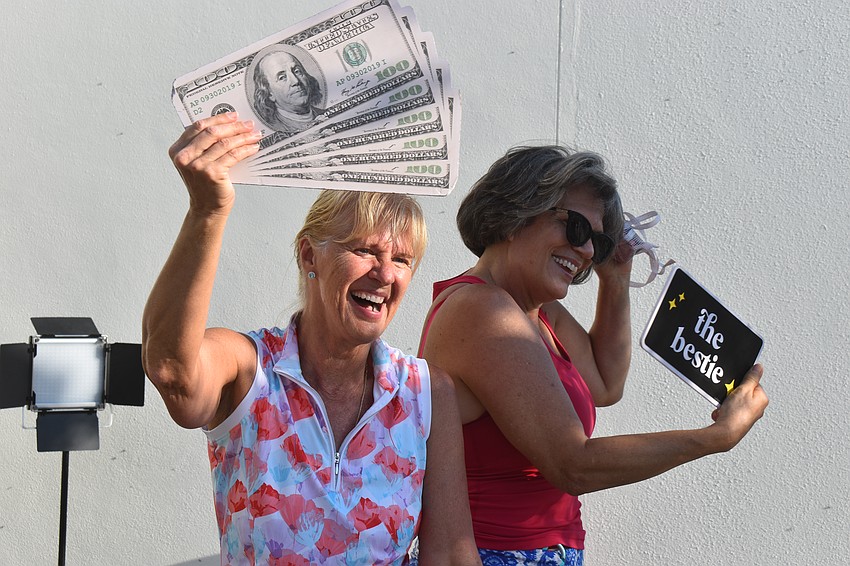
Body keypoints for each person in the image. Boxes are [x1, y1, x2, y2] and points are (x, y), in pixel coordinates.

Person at [142, 112, 480, 565]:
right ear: (309, 255)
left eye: (402, 259)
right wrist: (208, 209)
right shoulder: (251, 368)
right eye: (364, 250)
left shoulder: (425, 391)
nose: (384, 274)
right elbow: (172, 371)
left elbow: (451, 555)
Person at [417, 145, 769, 565]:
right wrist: (715, 438)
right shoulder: (483, 311)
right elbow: (573, 464)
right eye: (577, 228)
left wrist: (615, 280)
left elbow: (605, 382)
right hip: (496, 554)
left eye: (597, 242)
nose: (586, 251)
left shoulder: (537, 311)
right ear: (517, 214)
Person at [251, 47, 325, 134]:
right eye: (282, 77)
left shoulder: (325, 114)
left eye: (297, 71)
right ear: (269, 93)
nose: (296, 81)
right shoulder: (277, 130)